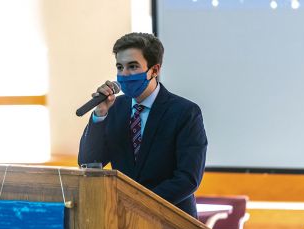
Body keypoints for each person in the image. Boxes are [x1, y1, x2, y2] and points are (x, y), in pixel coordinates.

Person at [78, 32, 207, 218]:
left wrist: (139, 203)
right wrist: (100, 114)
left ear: (154, 70)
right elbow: (87, 162)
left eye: (133, 66)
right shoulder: (114, 109)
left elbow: (188, 178)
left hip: (173, 220)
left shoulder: (185, 112)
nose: (124, 74)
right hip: (122, 218)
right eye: (120, 67)